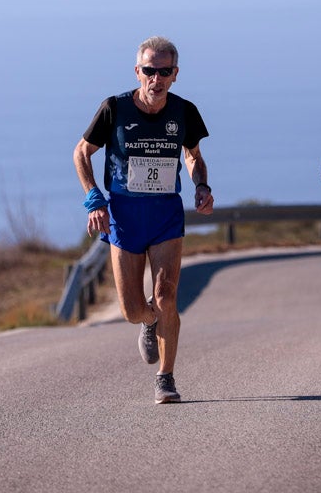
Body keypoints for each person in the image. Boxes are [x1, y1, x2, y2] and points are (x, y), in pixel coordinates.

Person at [73, 36, 213, 404]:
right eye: (150, 71)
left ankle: (165, 378)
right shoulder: (114, 108)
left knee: (166, 295)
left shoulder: (184, 111)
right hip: (124, 217)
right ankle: (149, 321)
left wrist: (201, 185)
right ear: (138, 72)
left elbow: (193, 156)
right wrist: (93, 199)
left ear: (175, 74)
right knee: (132, 309)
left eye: (164, 72)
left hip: (165, 215)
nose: (157, 78)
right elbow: (81, 153)